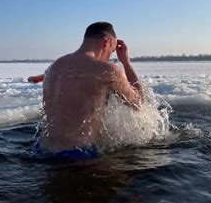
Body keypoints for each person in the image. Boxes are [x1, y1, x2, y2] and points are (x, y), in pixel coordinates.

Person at [30, 22, 144, 159]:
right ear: (107, 42)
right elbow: (138, 102)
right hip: (78, 156)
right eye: (112, 51)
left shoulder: (55, 66)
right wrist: (126, 63)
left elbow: (77, 76)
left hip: (41, 151)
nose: (109, 56)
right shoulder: (108, 70)